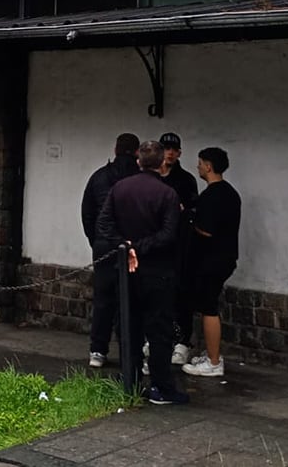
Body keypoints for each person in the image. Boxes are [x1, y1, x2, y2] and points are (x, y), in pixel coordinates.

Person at [95, 140, 189, 406]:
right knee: (159, 331)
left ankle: (131, 379)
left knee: (128, 326)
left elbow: (103, 223)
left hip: (126, 268)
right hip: (158, 269)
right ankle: (161, 386)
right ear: (161, 163)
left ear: (139, 161)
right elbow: (169, 234)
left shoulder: (120, 188)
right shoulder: (167, 194)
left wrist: (126, 246)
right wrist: (140, 247)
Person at [80, 132, 140, 368]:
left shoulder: (99, 177)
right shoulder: (139, 177)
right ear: (137, 152)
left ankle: (98, 349)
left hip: (104, 245)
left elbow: (87, 212)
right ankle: (131, 351)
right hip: (134, 245)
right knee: (133, 300)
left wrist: (96, 240)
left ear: (115, 150)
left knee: (103, 299)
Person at [183, 147, 242, 379]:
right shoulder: (230, 193)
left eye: (200, 163)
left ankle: (214, 361)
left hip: (212, 259)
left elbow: (206, 230)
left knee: (209, 307)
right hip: (225, 257)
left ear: (208, 166)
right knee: (207, 304)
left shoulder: (212, 196)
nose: (198, 167)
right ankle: (211, 353)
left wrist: (188, 219)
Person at [159, 132, 200, 365]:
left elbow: (194, 210)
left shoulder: (185, 180)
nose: (170, 153)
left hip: (179, 246)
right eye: (166, 149)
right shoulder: (152, 177)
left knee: (181, 293)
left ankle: (182, 341)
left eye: (174, 150)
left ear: (179, 153)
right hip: (156, 243)